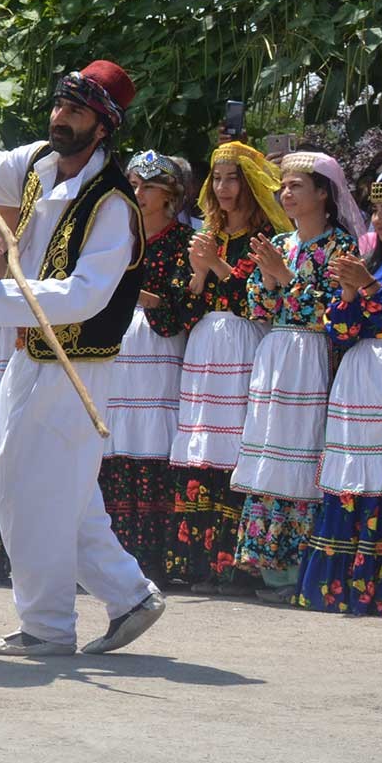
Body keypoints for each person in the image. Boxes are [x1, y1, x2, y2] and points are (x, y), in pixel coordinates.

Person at [0, 60, 166, 658]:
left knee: (27, 489)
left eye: (76, 111)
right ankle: (129, 595)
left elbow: (82, 296)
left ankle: (47, 627)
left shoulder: (114, 204)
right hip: (31, 354)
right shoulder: (38, 161)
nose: (60, 118)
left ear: (103, 127)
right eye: (59, 106)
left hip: (78, 365)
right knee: (58, 491)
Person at [230, 151, 361, 601]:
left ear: (324, 192)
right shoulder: (282, 242)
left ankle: (301, 564)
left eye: (296, 186)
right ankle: (269, 565)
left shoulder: (341, 246)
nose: (286, 194)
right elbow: (257, 308)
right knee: (271, 447)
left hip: (313, 357)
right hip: (277, 354)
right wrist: (267, 283)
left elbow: (332, 311)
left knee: (304, 449)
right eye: (283, 186)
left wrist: (285, 278)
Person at [164, 140, 290, 592]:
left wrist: (215, 265)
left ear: (251, 184)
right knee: (201, 444)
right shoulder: (206, 236)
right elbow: (181, 308)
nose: (223, 187)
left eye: (233, 177)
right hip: (203, 351)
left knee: (236, 444)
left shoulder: (267, 243)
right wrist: (198, 272)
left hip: (243, 346)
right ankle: (197, 561)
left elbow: (259, 302)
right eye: (217, 178)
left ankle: (234, 566)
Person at [297, 164, 382, 616]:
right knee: (354, 472)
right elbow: (340, 330)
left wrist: (368, 288)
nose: (379, 219)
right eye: (375, 210)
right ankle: (346, 588)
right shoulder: (369, 262)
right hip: (358, 381)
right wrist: (350, 296)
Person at [98, 152, 199, 573]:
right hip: (116, 349)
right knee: (115, 444)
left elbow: (177, 308)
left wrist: (130, 291)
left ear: (169, 195)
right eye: (134, 184)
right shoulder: (116, 236)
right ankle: (109, 559)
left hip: (156, 353)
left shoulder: (181, 242)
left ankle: (154, 560)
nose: (137, 193)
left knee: (151, 442)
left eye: (147, 187)